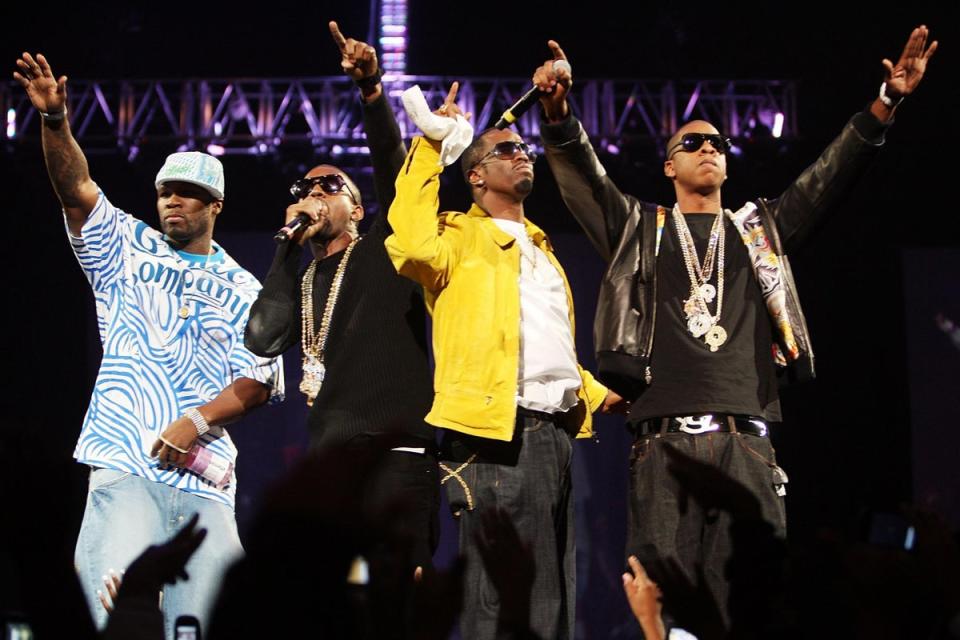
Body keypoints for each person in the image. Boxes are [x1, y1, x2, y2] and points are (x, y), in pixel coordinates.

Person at [534, 26, 937, 630]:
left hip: (747, 442)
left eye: (718, 142)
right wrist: (560, 116)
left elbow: (825, 178)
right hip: (663, 445)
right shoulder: (641, 229)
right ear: (669, 165)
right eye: (694, 141)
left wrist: (885, 103)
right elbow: (586, 180)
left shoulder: (759, 231)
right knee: (668, 608)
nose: (710, 148)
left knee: (753, 603)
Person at [13, 52, 284, 638]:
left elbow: (260, 379)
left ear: (215, 206)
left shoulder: (245, 287)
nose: (172, 202)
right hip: (124, 463)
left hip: (205, 484)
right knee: (114, 619)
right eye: (165, 192)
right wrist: (56, 121)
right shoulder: (127, 247)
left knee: (207, 627)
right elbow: (75, 188)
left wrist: (196, 419)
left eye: (188, 193)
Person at [385, 84, 622, 640]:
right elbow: (411, 244)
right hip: (494, 434)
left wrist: (592, 391)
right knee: (499, 603)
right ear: (475, 175)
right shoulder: (457, 236)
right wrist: (429, 146)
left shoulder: (540, 248)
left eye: (525, 150)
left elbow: (540, 345)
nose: (523, 155)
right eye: (507, 150)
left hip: (553, 436)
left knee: (549, 601)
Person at [243, 21, 440, 632]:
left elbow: (390, 169)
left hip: (396, 461)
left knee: (394, 611)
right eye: (304, 187)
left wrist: (373, 93)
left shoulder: (384, 247)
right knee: (330, 615)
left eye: (330, 185)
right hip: (331, 468)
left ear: (355, 208)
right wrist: (284, 245)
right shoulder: (300, 280)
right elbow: (261, 337)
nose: (313, 193)